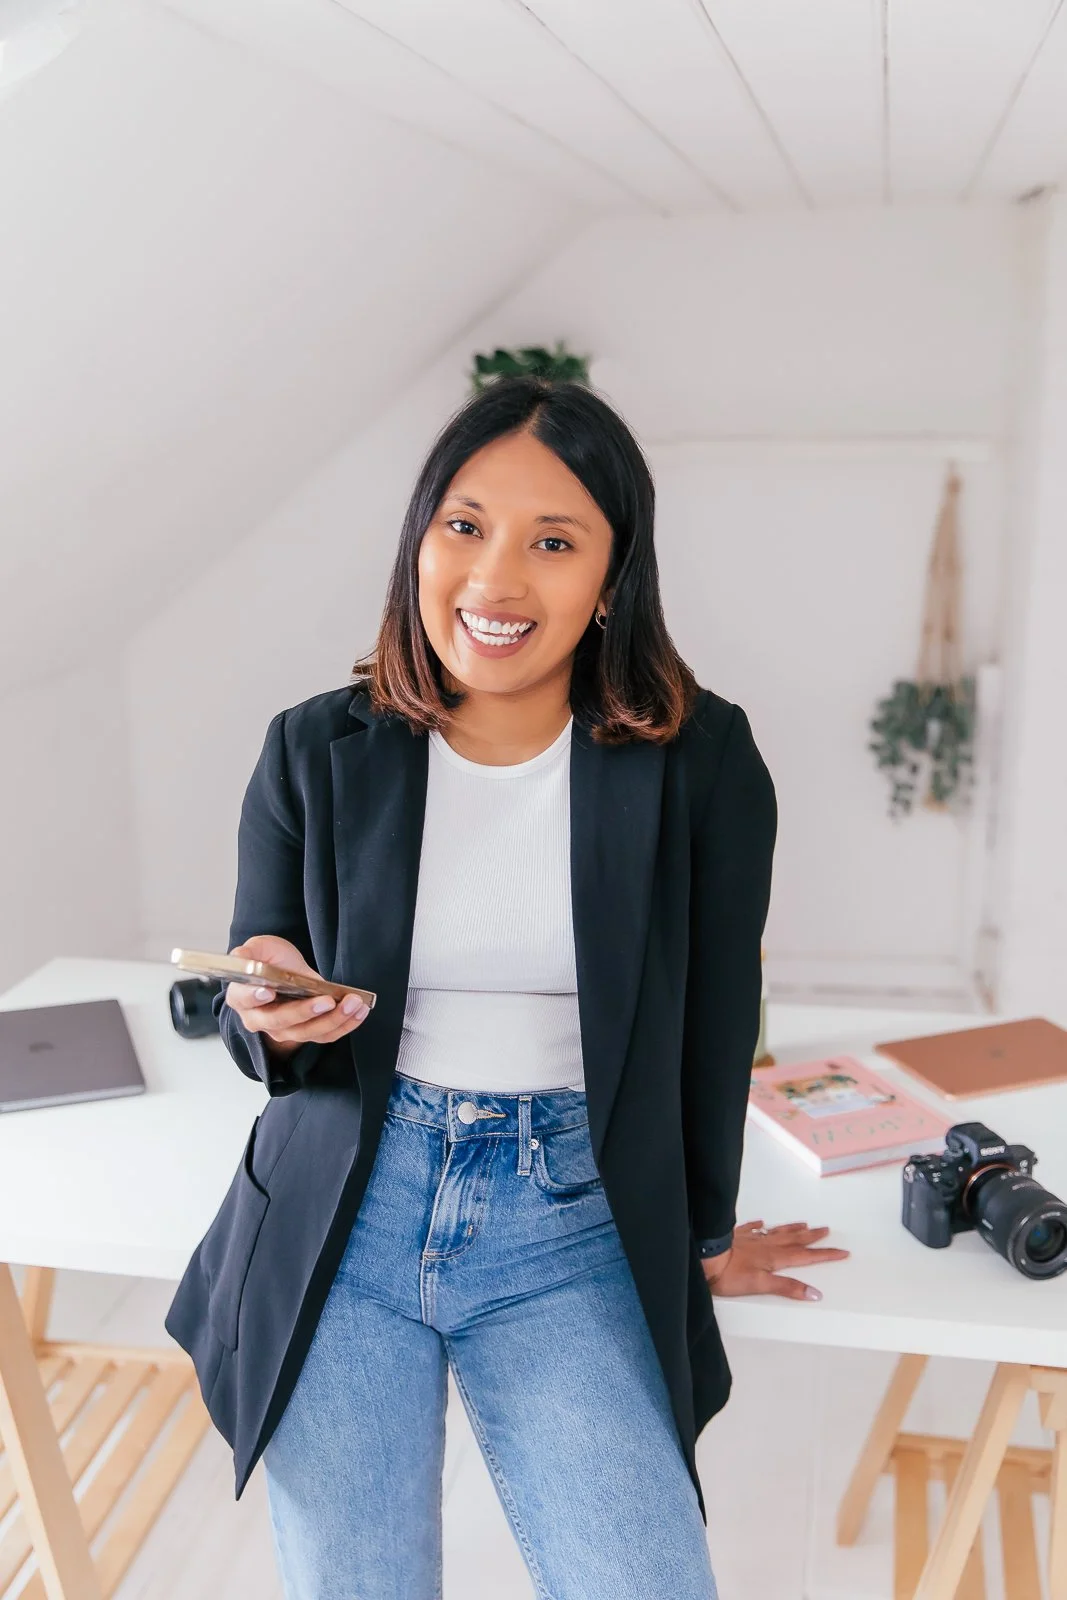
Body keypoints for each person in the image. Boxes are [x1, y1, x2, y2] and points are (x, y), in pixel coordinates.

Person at [165, 376, 849, 1600]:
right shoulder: (311, 747)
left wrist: (692, 1235)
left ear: (611, 573)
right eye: (464, 526)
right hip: (344, 1214)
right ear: (419, 538)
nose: (494, 580)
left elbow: (707, 1028)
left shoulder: (701, 763)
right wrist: (262, 1003)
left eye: (552, 541)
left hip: (568, 1220)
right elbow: (256, 980)